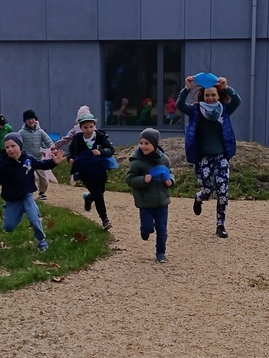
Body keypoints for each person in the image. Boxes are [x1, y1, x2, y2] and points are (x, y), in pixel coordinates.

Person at [176, 75, 241, 238]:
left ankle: (220, 225)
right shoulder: (196, 110)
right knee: (207, 192)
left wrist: (227, 88)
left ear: (218, 96)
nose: (210, 98)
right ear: (202, 96)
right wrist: (187, 89)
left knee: (223, 193)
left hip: (221, 158)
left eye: (213, 95)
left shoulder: (224, 110)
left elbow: (237, 101)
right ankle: (199, 197)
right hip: (203, 158)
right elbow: (180, 105)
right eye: (207, 95)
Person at [0, 132, 64, 251]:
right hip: (12, 199)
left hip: (27, 195)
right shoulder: (2, 164)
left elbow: (42, 165)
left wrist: (54, 162)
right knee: (8, 227)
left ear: (20, 146)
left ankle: (41, 240)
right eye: (7, 147)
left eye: (13, 146)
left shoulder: (29, 159)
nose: (10, 149)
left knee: (34, 219)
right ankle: (20, 210)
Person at [126, 128, 175, 263]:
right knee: (148, 227)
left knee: (162, 229)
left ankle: (161, 253)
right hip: (145, 201)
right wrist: (142, 179)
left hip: (162, 201)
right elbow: (129, 179)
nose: (143, 146)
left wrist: (171, 181)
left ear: (155, 144)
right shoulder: (137, 162)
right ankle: (145, 230)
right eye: (141, 143)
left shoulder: (164, 159)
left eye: (147, 143)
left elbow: (170, 172)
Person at [67, 112, 115, 230]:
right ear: (81, 128)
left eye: (91, 127)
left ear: (94, 126)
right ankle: (105, 220)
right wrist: (70, 158)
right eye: (85, 127)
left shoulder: (101, 137)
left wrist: (101, 152)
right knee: (98, 194)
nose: (89, 130)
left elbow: (111, 149)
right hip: (85, 171)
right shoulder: (77, 139)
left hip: (99, 170)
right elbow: (70, 150)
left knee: (101, 191)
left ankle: (88, 198)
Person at [20, 109, 56, 200]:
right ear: (25, 121)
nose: (31, 121)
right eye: (28, 119)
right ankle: (29, 193)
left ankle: (42, 192)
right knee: (33, 177)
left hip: (39, 158)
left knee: (43, 178)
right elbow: (17, 143)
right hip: (27, 159)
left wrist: (52, 147)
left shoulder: (40, 131)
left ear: (35, 119)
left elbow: (48, 140)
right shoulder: (21, 133)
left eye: (32, 118)